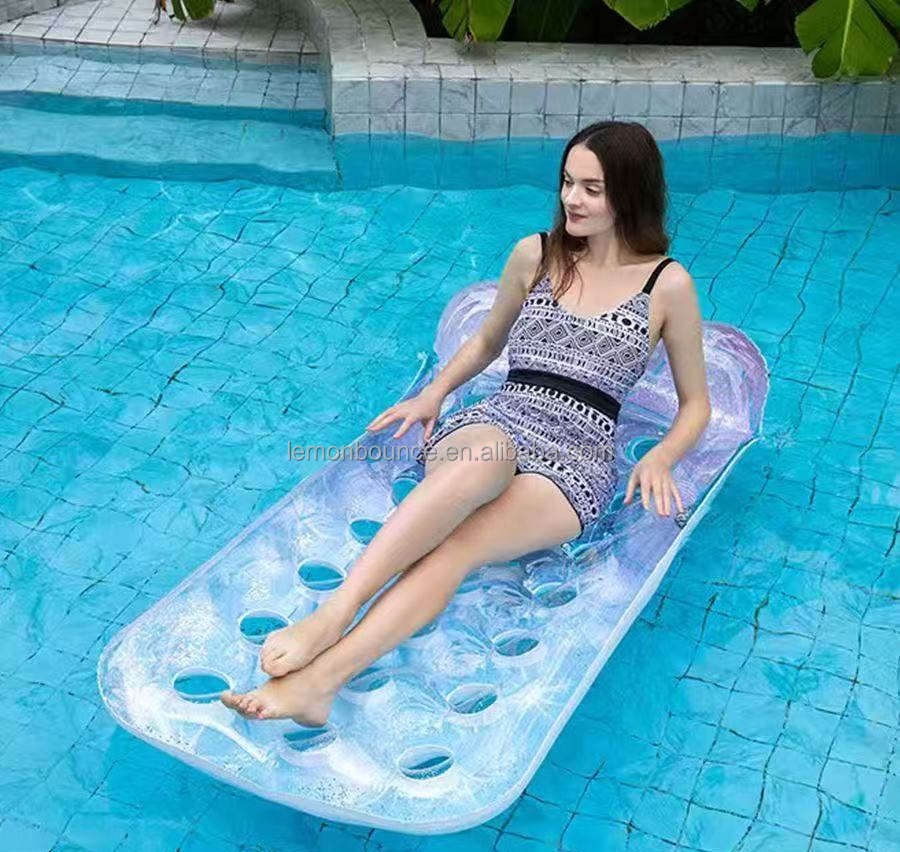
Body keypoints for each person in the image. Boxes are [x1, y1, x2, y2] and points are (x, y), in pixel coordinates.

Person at [220, 120, 711, 726]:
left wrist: (661, 455)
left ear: (631, 193)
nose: (572, 199)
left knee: (457, 548)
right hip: (503, 416)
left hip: (578, 458)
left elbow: (696, 405)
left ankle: (319, 685)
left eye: (592, 188)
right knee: (482, 461)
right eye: (567, 182)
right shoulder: (538, 254)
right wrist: (434, 394)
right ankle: (334, 613)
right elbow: (485, 341)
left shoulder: (668, 284)